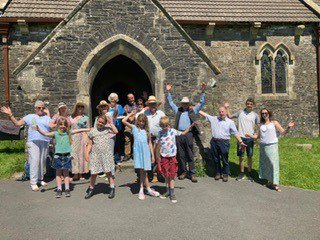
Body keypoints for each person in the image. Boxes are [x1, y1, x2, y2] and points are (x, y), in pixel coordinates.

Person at [1, 100, 51, 191]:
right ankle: (33, 182)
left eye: (43, 108)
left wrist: (49, 114)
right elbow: (17, 123)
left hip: (45, 141)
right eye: (39, 107)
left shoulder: (47, 118)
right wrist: (10, 115)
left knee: (42, 161)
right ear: (35, 108)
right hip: (33, 141)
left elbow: (52, 126)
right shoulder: (30, 116)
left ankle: (40, 179)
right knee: (35, 160)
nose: (41, 109)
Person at [36, 117, 90, 198]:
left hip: (67, 156)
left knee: (66, 173)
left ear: (67, 126)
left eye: (64, 125)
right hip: (58, 157)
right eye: (61, 124)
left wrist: (87, 129)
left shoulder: (69, 133)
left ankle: (67, 189)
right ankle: (59, 189)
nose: (63, 126)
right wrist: (38, 129)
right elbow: (45, 134)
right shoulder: (55, 133)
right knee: (58, 174)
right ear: (58, 125)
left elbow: (78, 130)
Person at [166, 82, 207, 183]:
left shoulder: (192, 110)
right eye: (183, 103)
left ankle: (192, 173)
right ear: (181, 104)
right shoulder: (178, 110)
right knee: (180, 154)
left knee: (189, 153)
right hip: (179, 134)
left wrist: (203, 92)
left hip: (188, 134)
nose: (184, 105)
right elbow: (170, 103)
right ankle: (183, 171)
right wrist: (168, 91)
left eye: (186, 103)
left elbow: (201, 103)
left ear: (188, 104)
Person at [246, 108, 295, 192]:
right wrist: (249, 135)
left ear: (269, 113)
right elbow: (257, 137)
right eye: (262, 113)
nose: (264, 114)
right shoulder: (261, 125)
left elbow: (283, 132)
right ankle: (269, 182)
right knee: (266, 165)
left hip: (272, 146)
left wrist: (288, 127)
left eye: (266, 113)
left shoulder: (274, 123)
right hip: (263, 147)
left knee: (273, 164)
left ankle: (275, 184)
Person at [199, 107, 247, 182]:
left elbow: (235, 133)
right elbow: (205, 114)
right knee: (216, 158)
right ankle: (218, 172)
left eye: (222, 112)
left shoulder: (230, 122)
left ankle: (225, 173)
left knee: (224, 158)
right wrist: (195, 109)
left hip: (224, 142)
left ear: (226, 112)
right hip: (214, 141)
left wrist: (241, 142)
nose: (221, 113)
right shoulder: (214, 119)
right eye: (220, 112)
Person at [122, 110, 160, 200]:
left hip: (146, 152)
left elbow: (150, 143)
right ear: (137, 121)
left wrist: (153, 155)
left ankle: (145, 188)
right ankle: (144, 188)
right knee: (142, 171)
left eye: (143, 121)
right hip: (138, 152)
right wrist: (131, 114)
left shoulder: (147, 131)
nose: (141, 123)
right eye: (140, 121)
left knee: (144, 171)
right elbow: (123, 121)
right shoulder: (134, 128)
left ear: (145, 122)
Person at [157, 116, 196, 203]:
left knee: (172, 175)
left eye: (166, 125)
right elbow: (157, 144)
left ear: (169, 125)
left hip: (172, 157)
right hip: (164, 157)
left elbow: (183, 133)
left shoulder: (173, 131)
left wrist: (191, 126)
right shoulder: (159, 133)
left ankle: (172, 193)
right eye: (163, 126)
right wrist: (157, 156)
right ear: (160, 125)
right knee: (166, 175)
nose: (164, 127)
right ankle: (167, 191)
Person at [224, 98, 260, 181]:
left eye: (251, 104)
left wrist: (256, 135)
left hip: (250, 139)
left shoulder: (255, 115)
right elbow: (230, 116)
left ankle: (250, 173)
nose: (249, 105)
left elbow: (258, 126)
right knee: (241, 156)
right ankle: (242, 173)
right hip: (241, 138)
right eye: (248, 103)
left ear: (253, 105)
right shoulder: (240, 112)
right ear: (246, 104)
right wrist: (227, 108)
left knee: (249, 156)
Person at [85, 115, 118, 199]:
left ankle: (112, 188)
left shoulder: (107, 130)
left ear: (105, 124)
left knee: (108, 172)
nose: (100, 124)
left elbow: (116, 131)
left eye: (102, 123)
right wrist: (86, 153)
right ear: (96, 121)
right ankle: (91, 189)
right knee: (94, 173)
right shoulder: (92, 131)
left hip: (106, 155)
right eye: (99, 122)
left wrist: (110, 123)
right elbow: (89, 144)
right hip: (95, 155)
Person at [137, 95, 166, 183]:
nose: (152, 106)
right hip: (148, 139)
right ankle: (148, 175)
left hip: (159, 138)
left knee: (158, 157)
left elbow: (165, 124)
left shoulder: (161, 113)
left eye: (154, 104)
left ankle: (158, 175)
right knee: (148, 156)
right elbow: (137, 118)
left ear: (156, 105)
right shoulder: (145, 113)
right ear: (148, 105)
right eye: (150, 104)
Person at [70, 102, 90, 181]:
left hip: (83, 137)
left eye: (82, 107)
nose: (80, 108)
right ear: (76, 107)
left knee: (82, 155)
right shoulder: (71, 117)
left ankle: (81, 173)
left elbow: (88, 128)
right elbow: (69, 128)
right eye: (79, 107)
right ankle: (75, 173)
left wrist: (88, 139)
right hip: (74, 137)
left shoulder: (86, 118)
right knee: (74, 154)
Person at [108, 93, 125, 166]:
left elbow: (120, 114)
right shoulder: (107, 107)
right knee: (111, 144)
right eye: (112, 98)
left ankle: (117, 158)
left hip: (118, 127)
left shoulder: (120, 106)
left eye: (114, 98)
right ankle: (110, 159)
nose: (113, 99)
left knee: (117, 143)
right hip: (110, 128)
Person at [123, 93, 138, 161]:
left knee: (136, 140)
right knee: (127, 139)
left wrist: (131, 115)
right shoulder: (126, 107)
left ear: (134, 98)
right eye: (129, 98)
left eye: (132, 98)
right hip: (128, 124)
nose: (130, 99)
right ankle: (127, 154)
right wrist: (132, 115)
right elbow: (128, 116)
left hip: (137, 124)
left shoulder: (138, 105)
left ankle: (135, 154)